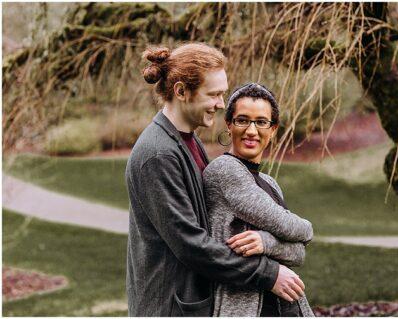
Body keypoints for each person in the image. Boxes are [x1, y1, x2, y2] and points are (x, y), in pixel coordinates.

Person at [126, 43, 304, 316]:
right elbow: (191, 245)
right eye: (214, 94)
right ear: (182, 91)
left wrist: (266, 243)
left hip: (193, 301)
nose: (222, 104)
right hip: (170, 307)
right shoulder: (158, 154)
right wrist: (268, 274)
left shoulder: (188, 140)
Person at [204, 83, 316, 316]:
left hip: (284, 306)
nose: (251, 131)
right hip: (243, 308)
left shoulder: (269, 183)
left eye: (261, 122)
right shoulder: (225, 170)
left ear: (273, 129)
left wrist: (267, 242)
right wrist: (307, 229)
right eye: (242, 120)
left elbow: (298, 254)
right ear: (229, 124)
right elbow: (292, 229)